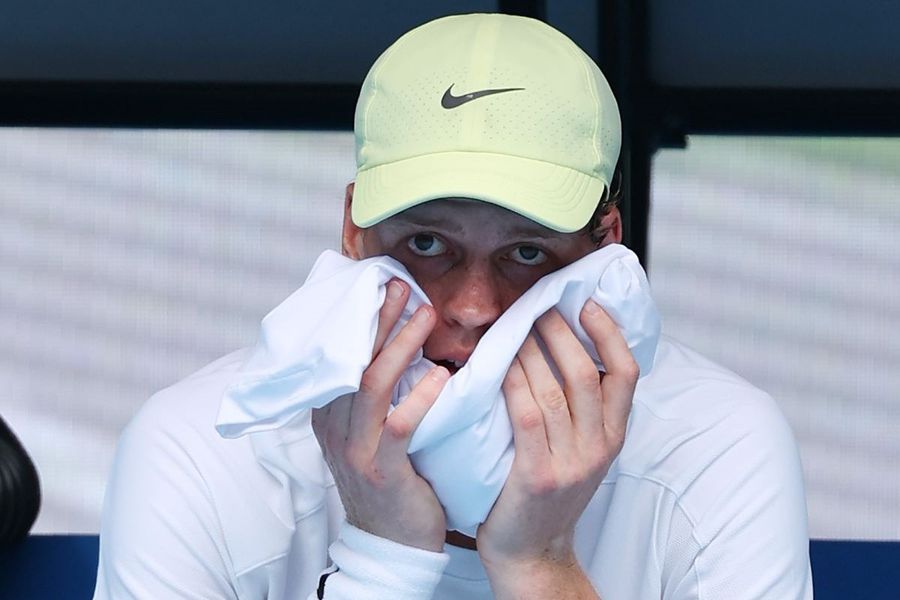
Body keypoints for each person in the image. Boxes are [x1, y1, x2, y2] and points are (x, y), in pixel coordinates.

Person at [94, 13, 813, 600]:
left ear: (601, 255)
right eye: (428, 242)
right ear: (354, 234)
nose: (471, 308)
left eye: (527, 252)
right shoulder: (204, 453)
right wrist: (380, 561)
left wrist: (542, 565)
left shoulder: (713, 448)